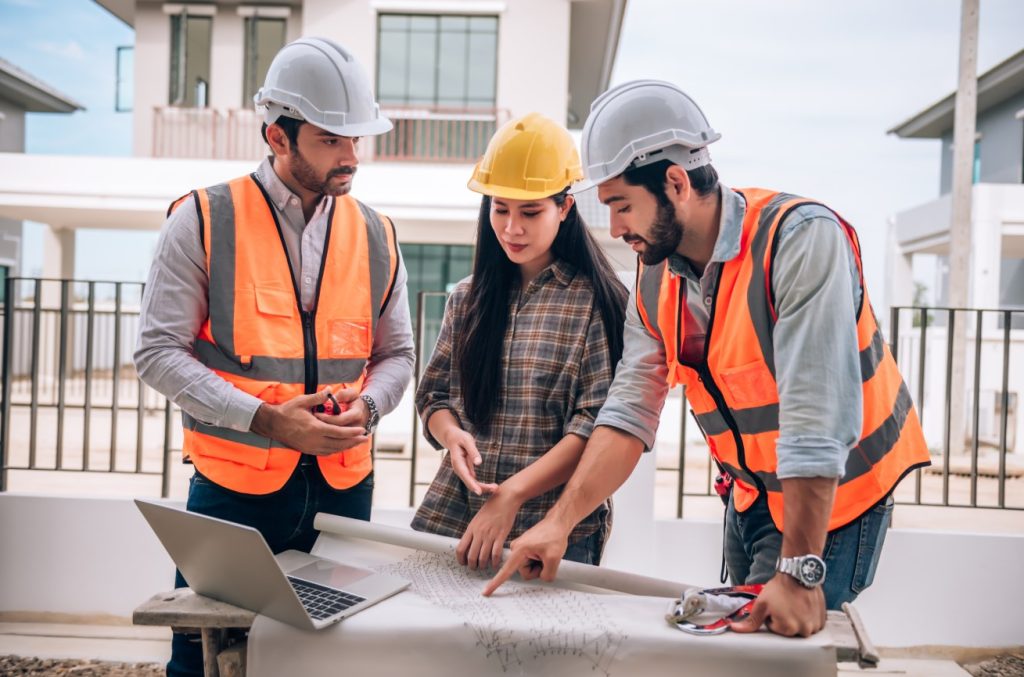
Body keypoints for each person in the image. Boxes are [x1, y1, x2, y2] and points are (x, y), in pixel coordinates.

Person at [484, 80, 930, 638]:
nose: (616, 229)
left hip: (835, 499)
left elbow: (815, 418)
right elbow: (627, 413)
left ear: (676, 182)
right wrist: (558, 524)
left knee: (778, 650)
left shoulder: (800, 240)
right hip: (750, 497)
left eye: (623, 206)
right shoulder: (654, 274)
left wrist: (798, 572)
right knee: (738, 648)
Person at [134, 37, 414, 676]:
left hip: (345, 490)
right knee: (203, 659)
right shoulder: (203, 218)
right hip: (234, 492)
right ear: (277, 136)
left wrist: (368, 407)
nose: (350, 156)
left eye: (356, 139)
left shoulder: (377, 232)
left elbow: (398, 355)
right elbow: (156, 353)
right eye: (330, 139)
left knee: (326, 661)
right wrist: (268, 421)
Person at [411, 113, 628, 570]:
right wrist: (453, 437)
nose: (512, 229)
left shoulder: (596, 304)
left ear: (565, 208)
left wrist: (512, 494)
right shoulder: (467, 298)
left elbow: (593, 427)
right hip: (459, 518)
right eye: (500, 209)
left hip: (553, 531)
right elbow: (433, 396)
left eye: (530, 212)